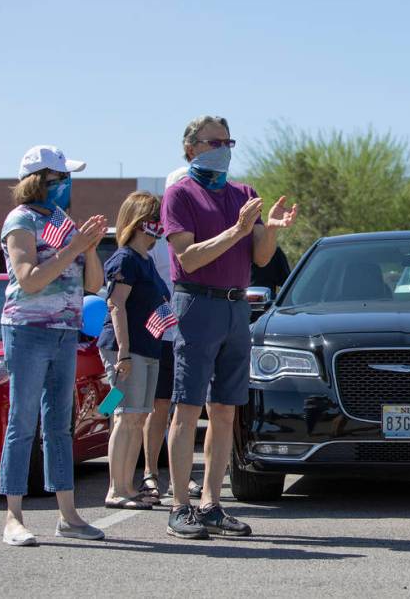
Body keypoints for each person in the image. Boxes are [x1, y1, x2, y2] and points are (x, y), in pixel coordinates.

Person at [161, 115, 297, 539]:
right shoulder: (179, 194)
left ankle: (212, 504)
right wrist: (236, 229)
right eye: (214, 141)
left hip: (237, 308)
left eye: (228, 140)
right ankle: (181, 506)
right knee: (187, 407)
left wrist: (268, 232)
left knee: (225, 410)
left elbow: (259, 258)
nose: (224, 147)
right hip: (196, 304)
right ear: (191, 149)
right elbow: (189, 258)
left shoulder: (244, 193)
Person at [0, 145, 108, 546]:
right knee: (22, 423)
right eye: (62, 178)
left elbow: (92, 284)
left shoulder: (62, 221)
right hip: (27, 331)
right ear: (42, 180)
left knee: (60, 426)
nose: (67, 185)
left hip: (65, 331)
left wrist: (90, 248)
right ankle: (13, 517)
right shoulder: (20, 220)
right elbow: (28, 279)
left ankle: (68, 515)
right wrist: (74, 248)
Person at [97, 191, 172, 509]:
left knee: (138, 416)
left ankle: (128, 486)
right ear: (140, 222)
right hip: (125, 350)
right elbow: (116, 305)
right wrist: (124, 352)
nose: (160, 226)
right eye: (155, 219)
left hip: (148, 348)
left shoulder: (146, 260)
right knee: (125, 416)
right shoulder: (125, 258)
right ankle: (118, 489)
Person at [139, 167, 202, 504]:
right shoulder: (155, 238)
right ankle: (150, 473)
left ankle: (185, 474)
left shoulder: (200, 233)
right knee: (158, 406)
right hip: (161, 335)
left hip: (193, 332)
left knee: (186, 407)